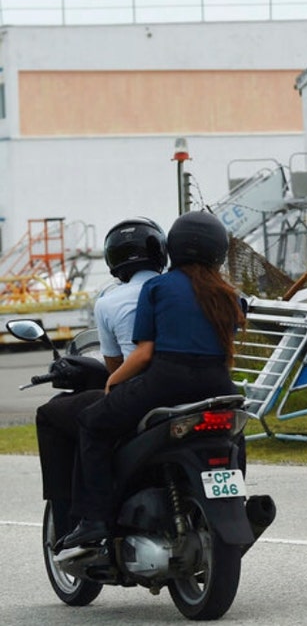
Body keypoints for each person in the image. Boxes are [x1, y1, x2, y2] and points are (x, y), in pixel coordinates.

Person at [59, 211, 245, 549]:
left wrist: (113, 381)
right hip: (219, 383)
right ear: (219, 251)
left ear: (172, 248)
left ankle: (95, 520)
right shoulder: (230, 295)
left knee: (92, 423)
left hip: (167, 380)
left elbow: (144, 354)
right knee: (232, 436)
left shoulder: (159, 287)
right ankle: (236, 500)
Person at [35, 217, 167, 538]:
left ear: (114, 259)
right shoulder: (182, 289)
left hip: (142, 392)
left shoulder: (110, 301)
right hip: (203, 387)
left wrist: (112, 380)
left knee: (55, 416)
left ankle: (80, 519)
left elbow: (117, 365)